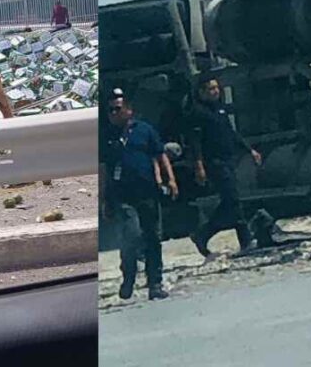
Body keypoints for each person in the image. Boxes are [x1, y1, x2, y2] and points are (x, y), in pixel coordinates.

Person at [102, 89, 177, 301]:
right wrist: (103, 200)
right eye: (110, 111)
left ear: (128, 110)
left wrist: (170, 180)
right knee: (131, 236)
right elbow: (103, 169)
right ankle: (129, 276)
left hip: (148, 192)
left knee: (153, 238)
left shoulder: (144, 130)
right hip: (123, 196)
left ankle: (155, 283)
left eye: (117, 109)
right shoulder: (107, 136)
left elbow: (160, 154)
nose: (113, 114)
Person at [188, 75, 261, 258]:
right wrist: (199, 166)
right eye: (211, 89)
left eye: (217, 88)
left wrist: (249, 150)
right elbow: (195, 142)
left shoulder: (219, 109)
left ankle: (203, 234)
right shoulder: (197, 112)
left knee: (231, 202)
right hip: (214, 163)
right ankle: (245, 239)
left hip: (228, 160)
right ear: (202, 92)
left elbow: (231, 132)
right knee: (233, 199)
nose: (216, 92)